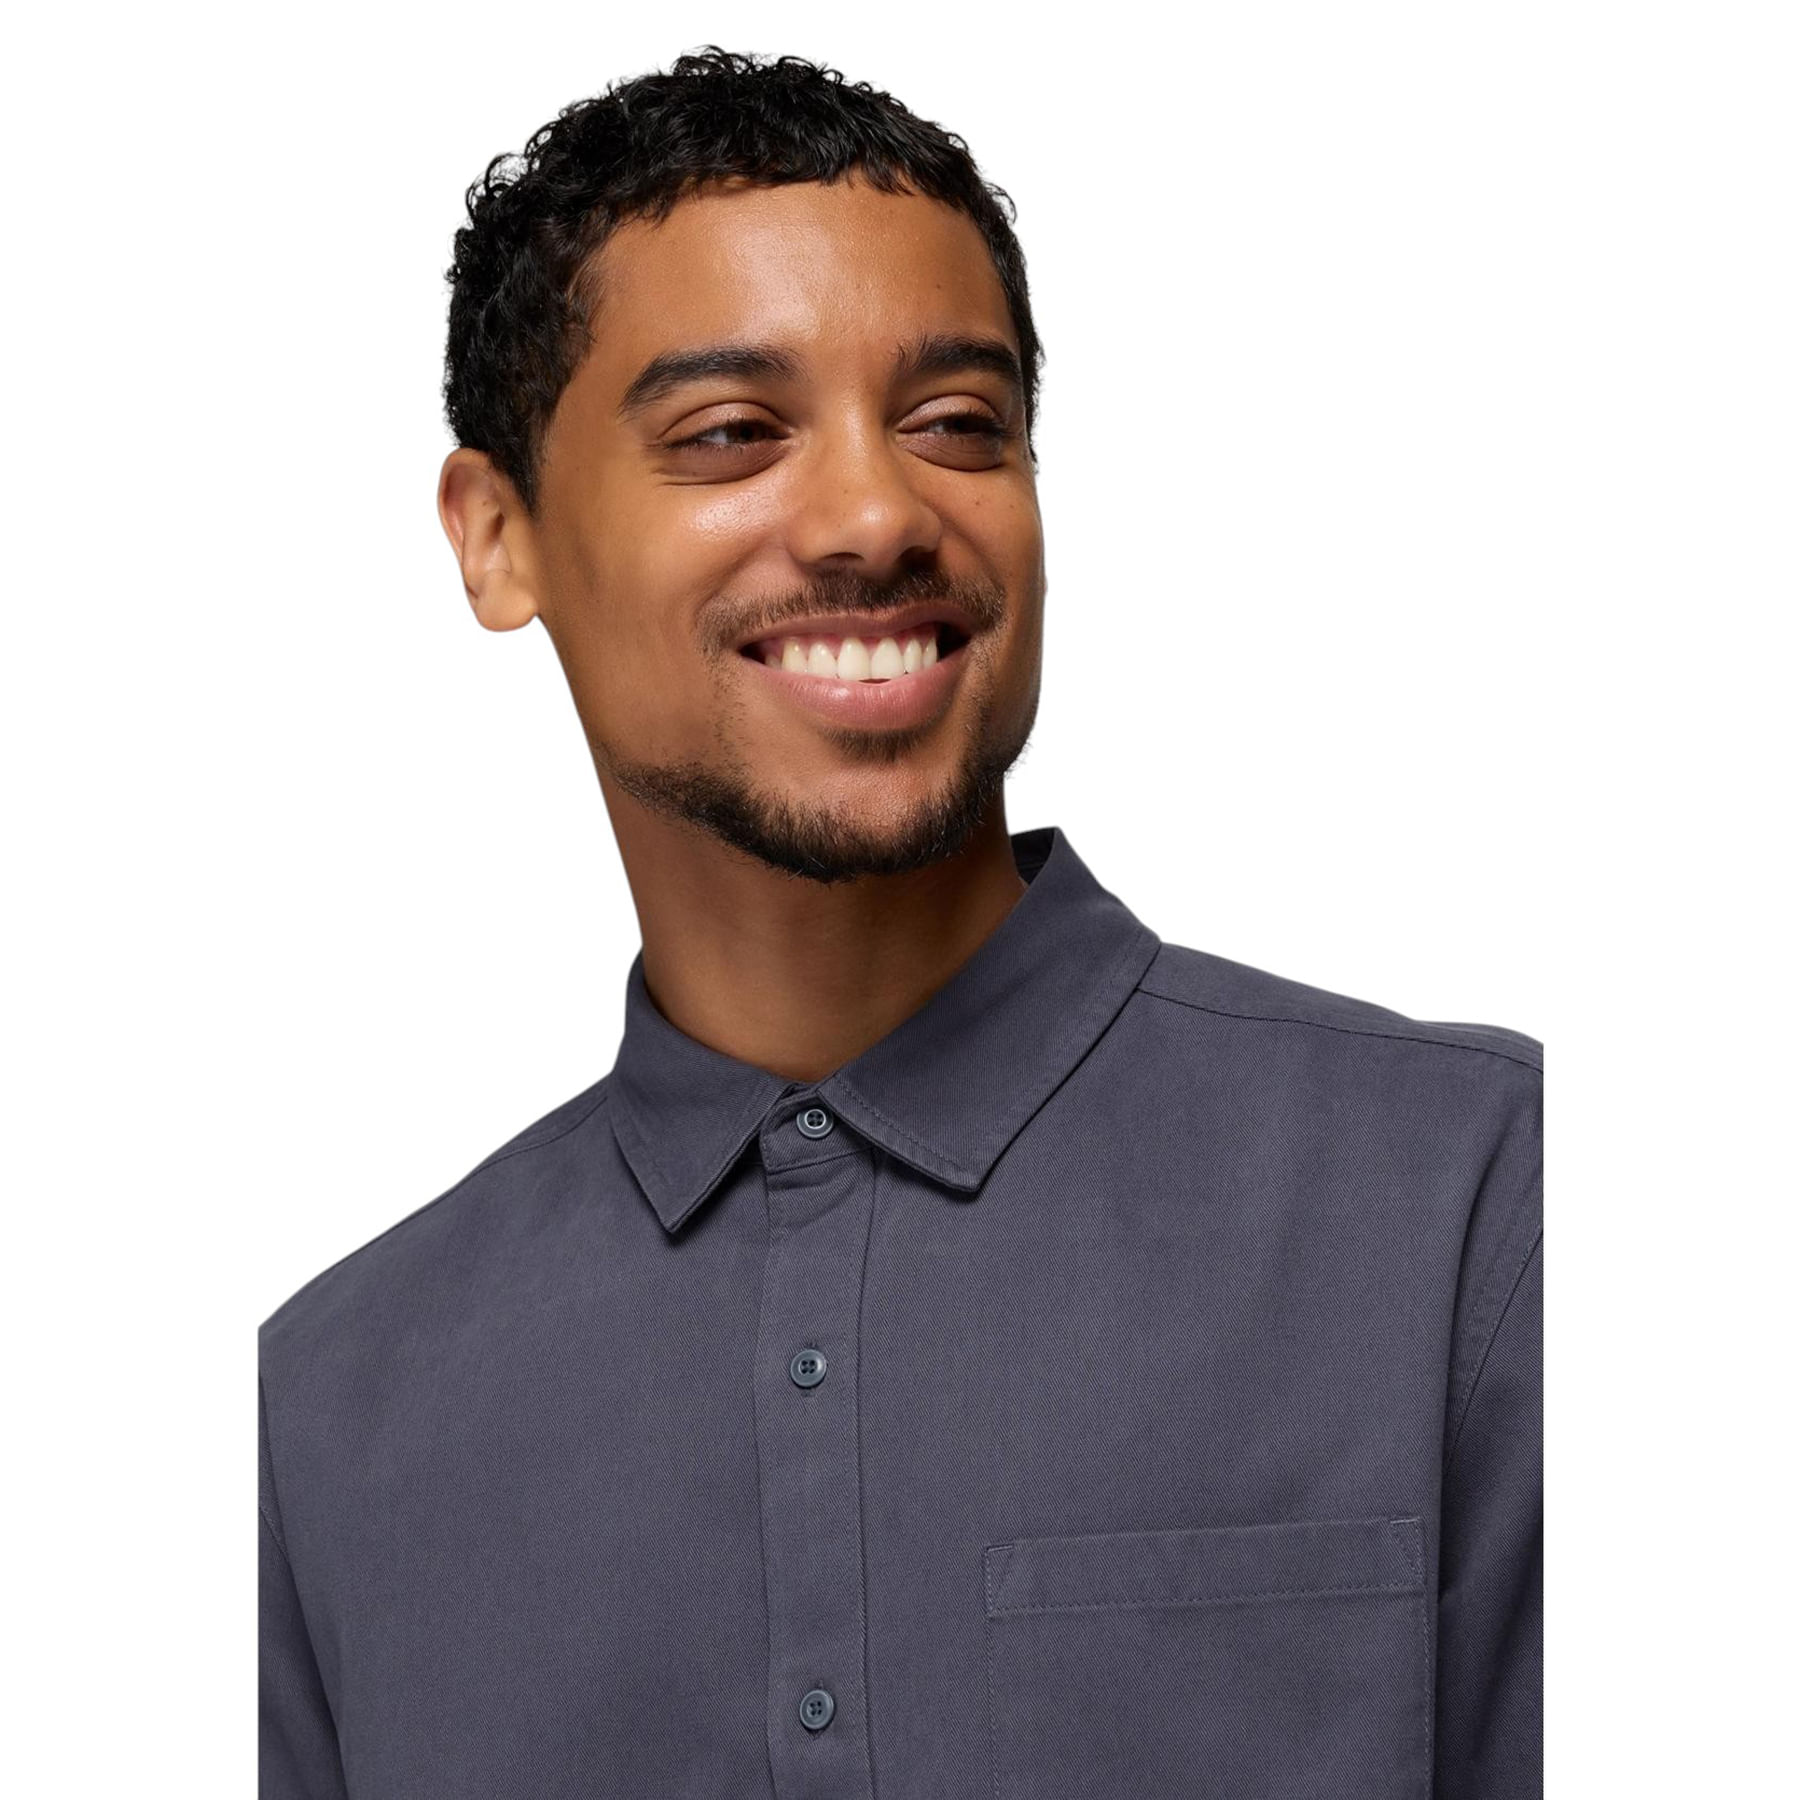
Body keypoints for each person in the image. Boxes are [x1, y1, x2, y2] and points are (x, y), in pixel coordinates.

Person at [258, 46, 1542, 1800]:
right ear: (498, 538)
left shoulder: (1484, 1207)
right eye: (731, 433)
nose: (877, 514)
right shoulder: (323, 1421)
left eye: (957, 425)